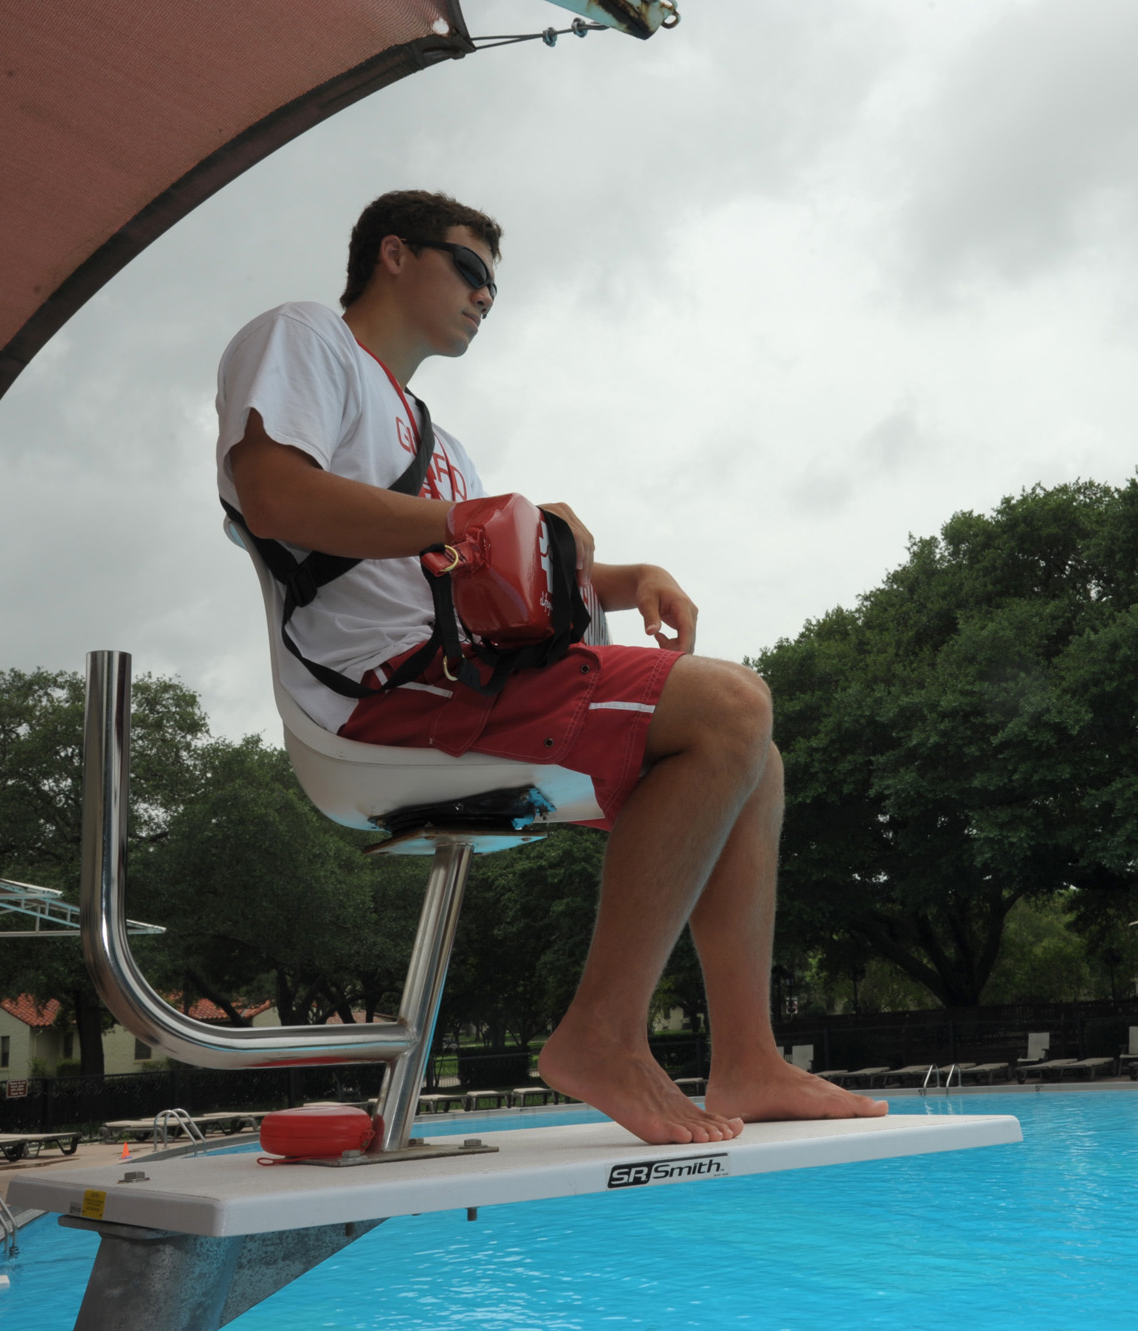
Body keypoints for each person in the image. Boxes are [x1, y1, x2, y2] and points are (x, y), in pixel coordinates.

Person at [215, 190, 885, 1146]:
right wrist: (475, 520)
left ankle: (747, 1057)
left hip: (461, 676)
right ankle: (601, 1035)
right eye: (471, 270)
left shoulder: (445, 445)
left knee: (756, 758)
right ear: (394, 254)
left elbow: (488, 570)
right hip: (381, 691)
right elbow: (274, 495)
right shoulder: (307, 337)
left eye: (496, 285)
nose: (486, 297)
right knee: (732, 706)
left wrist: (623, 576)